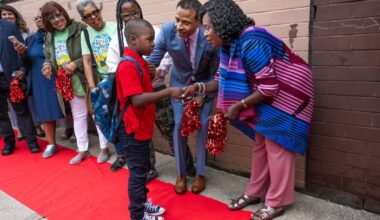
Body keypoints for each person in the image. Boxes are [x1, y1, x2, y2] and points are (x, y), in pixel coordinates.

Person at [183, 0, 314, 219]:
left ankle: (277, 201)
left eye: (207, 27)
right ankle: (255, 192)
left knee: (277, 144)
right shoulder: (228, 46)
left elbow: (270, 87)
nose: (205, 34)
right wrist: (198, 87)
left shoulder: (251, 41)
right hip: (268, 90)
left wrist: (239, 105)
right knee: (261, 144)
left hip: (291, 92)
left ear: (221, 23)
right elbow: (220, 80)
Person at [106, 0, 196, 182]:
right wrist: (138, 72)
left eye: (135, 12)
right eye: (127, 15)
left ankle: (185, 167)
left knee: (171, 128)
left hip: (157, 88)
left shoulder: (154, 30)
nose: (132, 16)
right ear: (120, 18)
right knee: (143, 135)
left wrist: (158, 70)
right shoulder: (117, 40)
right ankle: (148, 169)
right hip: (137, 95)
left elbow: (169, 54)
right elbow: (113, 70)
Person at [146, 0, 219, 195]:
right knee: (179, 127)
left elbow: (216, 72)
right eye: (177, 19)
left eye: (186, 22)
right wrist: (139, 70)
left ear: (198, 22)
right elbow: (153, 59)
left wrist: (203, 94)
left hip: (204, 86)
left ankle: (201, 173)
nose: (180, 26)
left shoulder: (208, 35)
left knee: (203, 124)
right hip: (179, 85)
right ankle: (181, 173)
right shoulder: (169, 30)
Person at [116, 18, 181, 220]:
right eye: (150, 39)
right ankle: (137, 214)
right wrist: (169, 91)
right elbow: (137, 99)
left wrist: (149, 72)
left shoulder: (139, 61)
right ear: (133, 39)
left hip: (140, 127)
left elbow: (142, 87)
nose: (153, 44)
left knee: (142, 170)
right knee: (137, 174)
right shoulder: (127, 65)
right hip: (132, 129)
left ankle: (143, 204)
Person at [41, 1, 89, 163]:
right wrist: (47, 65)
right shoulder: (49, 36)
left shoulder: (79, 28)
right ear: (48, 22)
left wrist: (76, 63)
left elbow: (91, 54)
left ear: (64, 14)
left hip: (85, 78)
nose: (57, 19)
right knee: (78, 116)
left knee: (97, 114)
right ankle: (83, 149)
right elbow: (48, 56)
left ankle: (105, 148)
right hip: (67, 83)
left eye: (58, 14)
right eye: (51, 17)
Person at [15, 9, 64, 155]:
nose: (38, 20)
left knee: (71, 109)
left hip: (60, 76)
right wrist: (22, 53)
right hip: (40, 80)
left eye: (41, 17)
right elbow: (26, 62)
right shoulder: (31, 40)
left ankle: (74, 133)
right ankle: (51, 143)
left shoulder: (58, 35)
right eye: (36, 18)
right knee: (45, 111)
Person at [76, 0, 116, 163]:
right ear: (84, 20)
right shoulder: (85, 34)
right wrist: (92, 86)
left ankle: (123, 151)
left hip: (117, 76)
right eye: (88, 16)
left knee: (119, 115)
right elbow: (86, 61)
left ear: (99, 11)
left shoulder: (114, 27)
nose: (93, 17)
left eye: (95, 12)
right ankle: (104, 148)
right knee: (100, 114)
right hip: (101, 79)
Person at [0, 4, 45, 140]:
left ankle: (34, 133)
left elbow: (24, 53)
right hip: (8, 75)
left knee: (26, 105)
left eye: (10, 13)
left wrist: (22, 67)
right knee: (8, 110)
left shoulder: (20, 30)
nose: (7, 16)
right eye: (4, 14)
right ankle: (15, 134)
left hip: (21, 71)